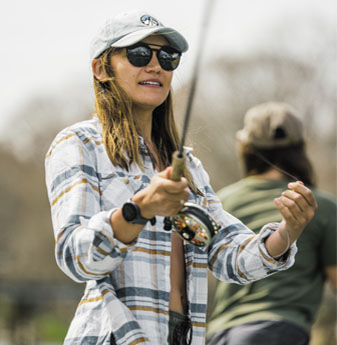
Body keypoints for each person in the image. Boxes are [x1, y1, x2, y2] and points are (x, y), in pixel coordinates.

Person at [45, 12, 317, 345]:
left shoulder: (189, 165)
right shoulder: (78, 144)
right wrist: (139, 209)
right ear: (101, 69)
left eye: (168, 57)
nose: (156, 65)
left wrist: (288, 232)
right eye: (139, 54)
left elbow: (230, 256)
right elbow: (76, 257)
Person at [206, 102, 337, 345]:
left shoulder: (221, 201)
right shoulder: (318, 206)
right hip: (280, 331)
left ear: (245, 148)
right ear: (302, 147)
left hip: (220, 335)